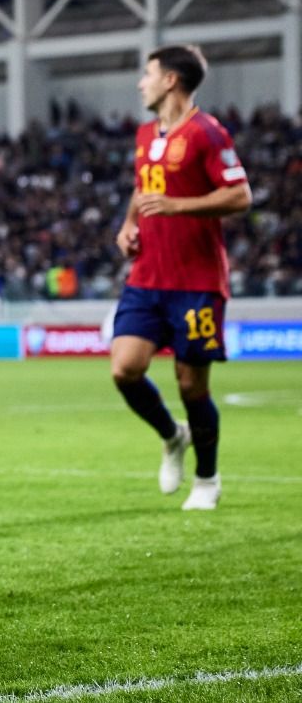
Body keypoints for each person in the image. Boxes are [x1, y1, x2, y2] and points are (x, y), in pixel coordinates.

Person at [109, 45, 251, 511]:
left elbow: (239, 195)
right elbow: (142, 185)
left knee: (192, 386)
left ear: (171, 80)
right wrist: (130, 224)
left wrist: (177, 206)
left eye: (147, 74)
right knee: (124, 369)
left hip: (196, 281)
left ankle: (207, 479)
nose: (140, 83)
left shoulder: (208, 133)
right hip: (147, 276)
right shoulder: (146, 133)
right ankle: (173, 437)